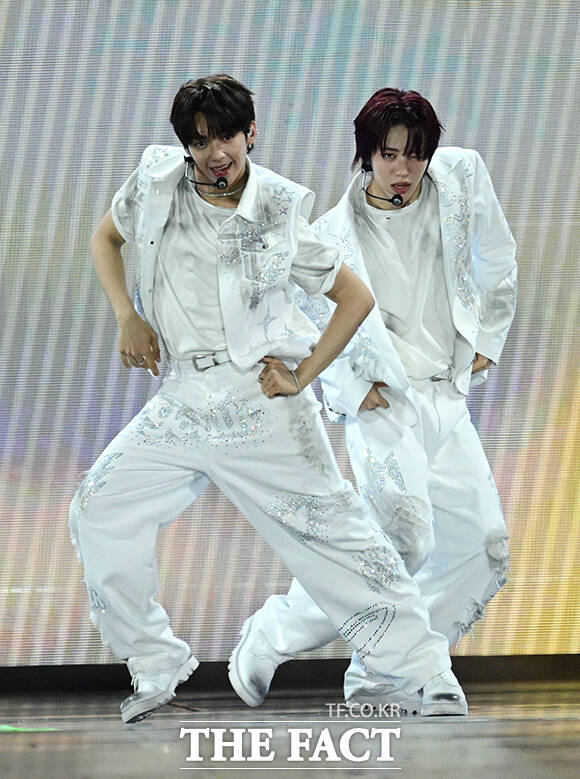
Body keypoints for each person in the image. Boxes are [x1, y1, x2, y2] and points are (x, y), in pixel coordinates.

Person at [69, 75, 466, 724]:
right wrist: (126, 315)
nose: (215, 153)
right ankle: (156, 661)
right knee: (97, 507)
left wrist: (303, 375)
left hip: (261, 403)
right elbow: (104, 239)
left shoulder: (279, 207)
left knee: (341, 540)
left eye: (226, 136)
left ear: (250, 133)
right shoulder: (156, 182)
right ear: (186, 145)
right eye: (200, 142)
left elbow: (354, 297)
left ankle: (426, 673)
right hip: (184, 398)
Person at [229, 87, 516, 709]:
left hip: (446, 397)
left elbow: (496, 253)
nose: (403, 169)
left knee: (483, 548)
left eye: (415, 154)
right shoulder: (330, 236)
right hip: (385, 404)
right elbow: (306, 321)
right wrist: (352, 389)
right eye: (389, 155)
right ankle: (276, 633)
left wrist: (489, 336)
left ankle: (383, 672)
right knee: (405, 539)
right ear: (366, 154)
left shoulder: (461, 179)